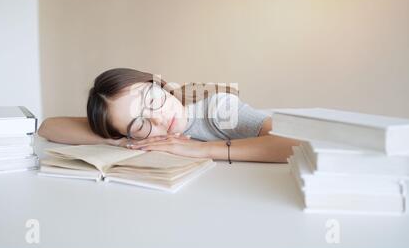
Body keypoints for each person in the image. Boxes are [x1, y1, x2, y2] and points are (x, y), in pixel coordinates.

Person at [38, 68, 300, 163]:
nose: (159, 119)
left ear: (160, 82)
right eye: (140, 123)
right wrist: (116, 141)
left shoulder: (217, 109)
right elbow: (48, 127)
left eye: (152, 100)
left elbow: (293, 142)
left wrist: (201, 150)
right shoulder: (134, 136)